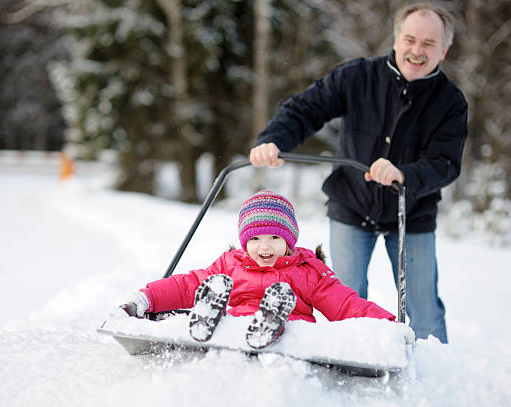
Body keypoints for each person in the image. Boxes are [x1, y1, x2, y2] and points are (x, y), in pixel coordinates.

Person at [249, 2, 468, 343]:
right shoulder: (357, 76)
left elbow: (445, 163)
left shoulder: (451, 102)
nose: (416, 50)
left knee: (424, 307)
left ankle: (429, 379)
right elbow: (307, 108)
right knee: (345, 300)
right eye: (410, 39)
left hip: (411, 213)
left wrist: (404, 173)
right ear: (396, 39)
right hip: (352, 206)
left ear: (444, 49)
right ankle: (350, 366)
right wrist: (273, 140)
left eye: (428, 43)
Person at [120, 190, 395, 349]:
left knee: (283, 313)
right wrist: (148, 297)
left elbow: (346, 304)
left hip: (291, 335)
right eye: (254, 239)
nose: (265, 247)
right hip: (236, 331)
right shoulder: (230, 264)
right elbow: (188, 284)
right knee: (207, 289)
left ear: (289, 240)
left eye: (275, 238)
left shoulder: (308, 270)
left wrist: (388, 326)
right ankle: (207, 316)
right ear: (244, 241)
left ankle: (273, 319)